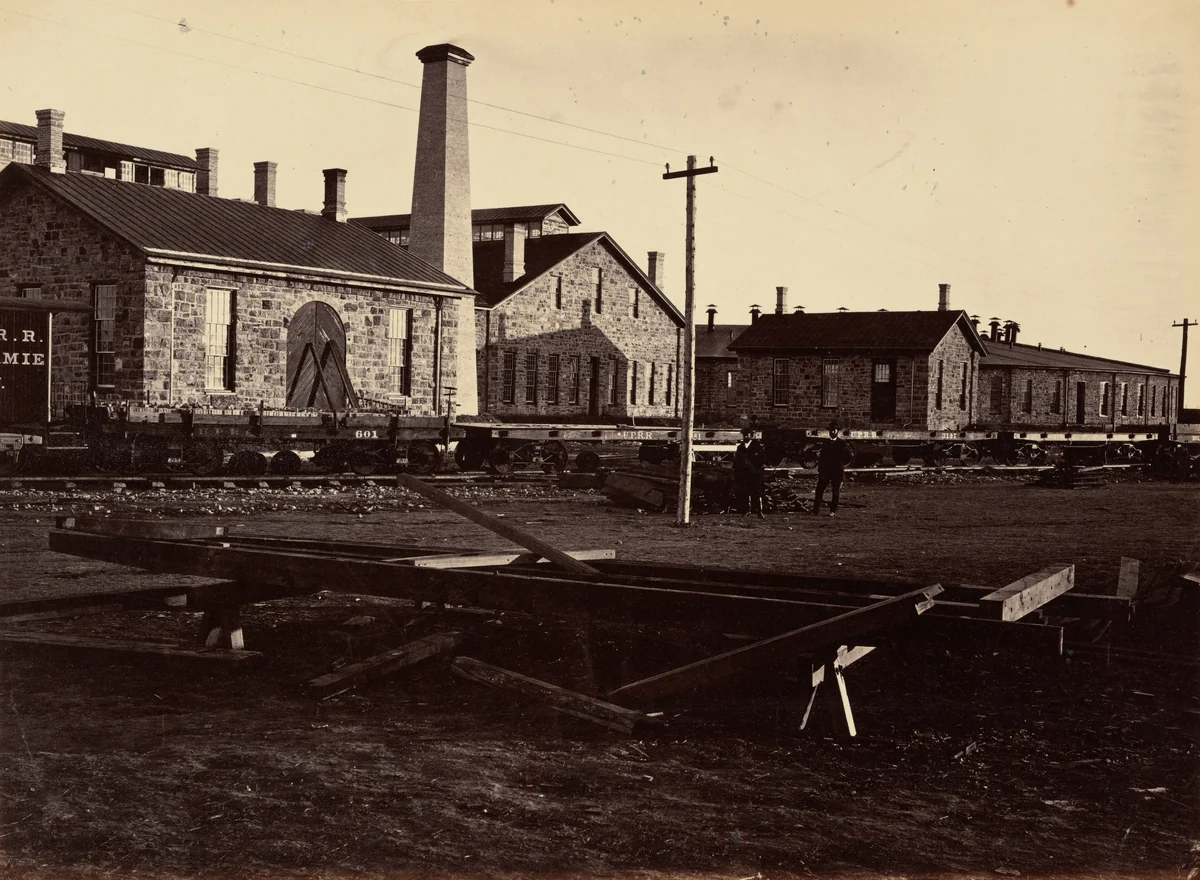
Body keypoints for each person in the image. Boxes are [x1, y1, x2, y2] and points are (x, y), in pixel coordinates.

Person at [814, 423, 854, 517]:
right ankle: (815, 510)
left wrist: (840, 464)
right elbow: (821, 458)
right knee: (819, 491)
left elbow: (849, 457)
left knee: (835, 492)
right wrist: (821, 468)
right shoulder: (825, 444)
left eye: (834, 430)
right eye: (830, 430)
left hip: (836, 472)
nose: (832, 432)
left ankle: (832, 511)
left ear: (837, 432)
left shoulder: (842, 444)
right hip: (825, 471)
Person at [745, 432, 766, 518]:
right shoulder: (743, 447)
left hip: (754, 472)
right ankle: (752, 511)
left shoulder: (756, 447)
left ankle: (756, 511)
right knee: (751, 491)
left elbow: (761, 460)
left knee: (754, 491)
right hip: (751, 472)